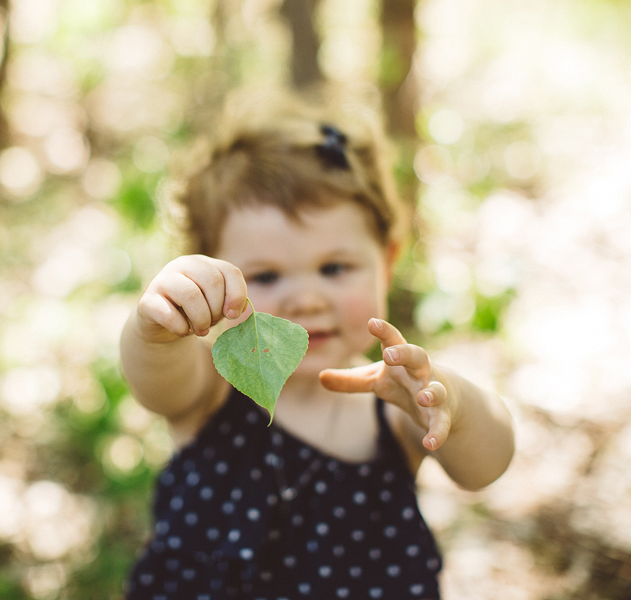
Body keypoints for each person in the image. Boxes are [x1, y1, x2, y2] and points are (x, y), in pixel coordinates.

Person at [119, 94, 515, 600]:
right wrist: (156, 328)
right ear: (213, 280)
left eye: (334, 268)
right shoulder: (209, 389)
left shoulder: (392, 403)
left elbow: (488, 463)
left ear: (387, 263)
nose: (305, 299)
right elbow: (155, 382)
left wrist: (452, 404)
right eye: (263, 275)